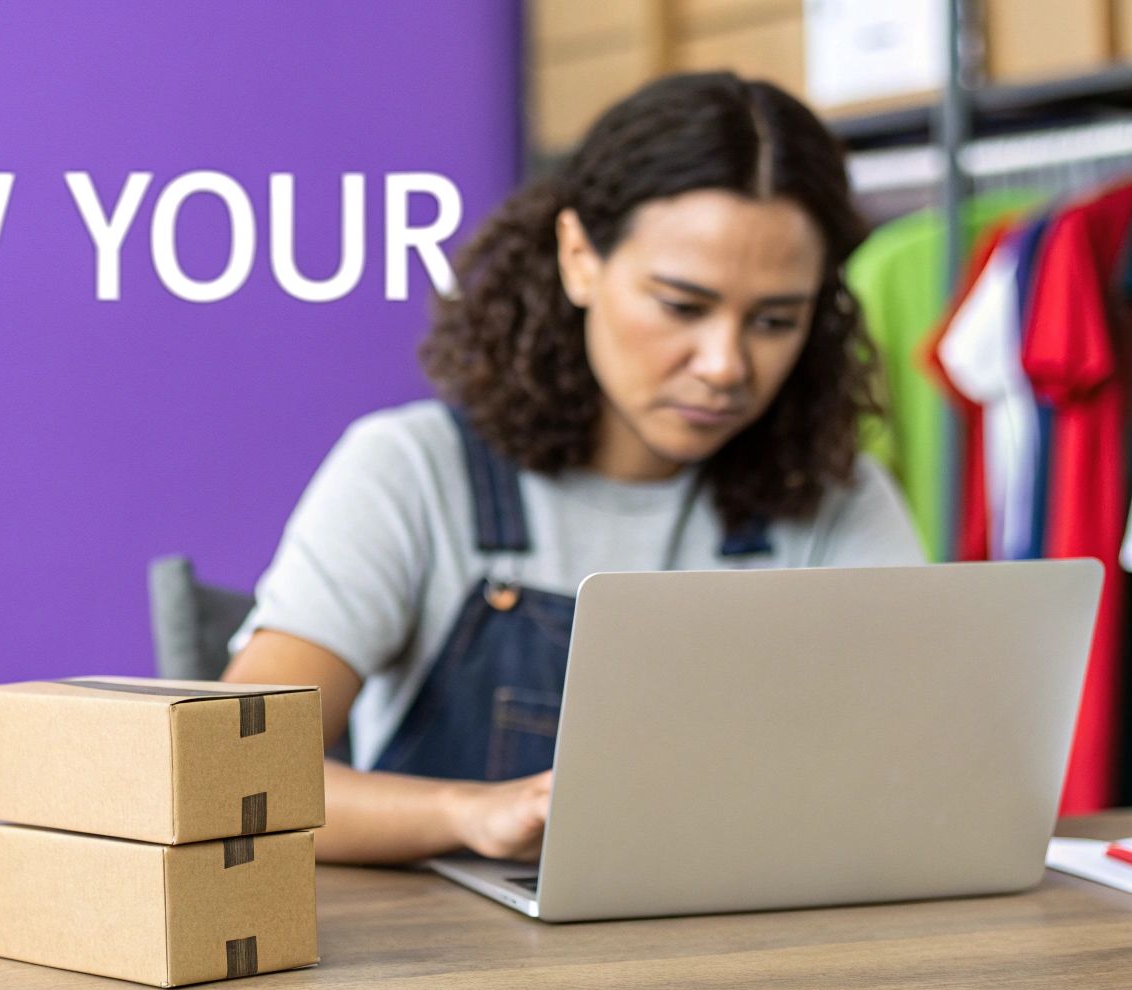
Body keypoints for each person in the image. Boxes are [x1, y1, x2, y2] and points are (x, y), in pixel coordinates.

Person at [222, 72, 925, 865]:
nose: (726, 365)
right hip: (451, 974)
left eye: (773, 321)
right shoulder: (414, 472)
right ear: (579, 257)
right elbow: (235, 776)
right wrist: (468, 813)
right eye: (683, 306)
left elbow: (922, 773)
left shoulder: (842, 500)